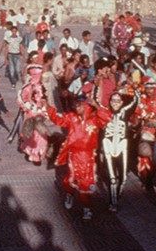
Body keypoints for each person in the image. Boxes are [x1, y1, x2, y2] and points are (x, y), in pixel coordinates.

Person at [48, 93, 112, 221]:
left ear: (86, 105)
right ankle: (69, 194)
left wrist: (96, 105)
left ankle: (87, 208)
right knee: (69, 180)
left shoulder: (95, 119)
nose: (77, 107)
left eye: (79, 105)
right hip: (74, 155)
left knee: (86, 183)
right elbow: (57, 119)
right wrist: (48, 107)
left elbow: (108, 117)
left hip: (88, 157)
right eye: (75, 105)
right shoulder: (71, 117)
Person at [100, 91, 136, 213]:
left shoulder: (125, 112)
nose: (115, 103)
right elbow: (95, 100)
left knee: (124, 178)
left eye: (118, 101)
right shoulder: (105, 112)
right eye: (113, 101)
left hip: (121, 146)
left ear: (122, 103)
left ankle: (116, 196)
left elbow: (136, 99)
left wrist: (126, 90)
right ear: (110, 102)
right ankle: (113, 203)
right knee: (112, 178)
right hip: (108, 146)